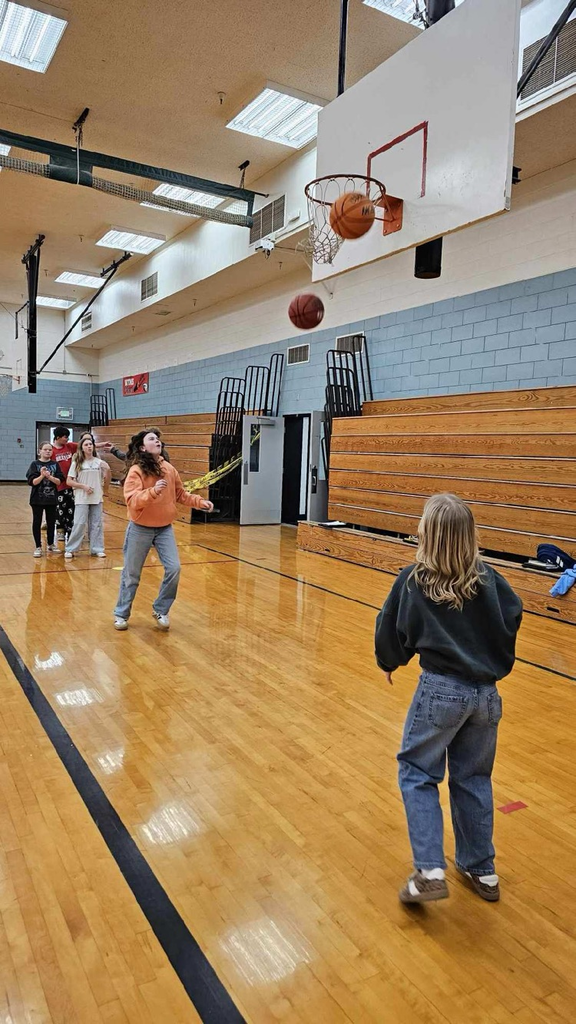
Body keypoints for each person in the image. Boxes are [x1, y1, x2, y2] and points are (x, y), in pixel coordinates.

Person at [374, 493, 522, 905]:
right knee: (473, 777)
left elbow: (392, 626)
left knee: (418, 772)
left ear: (428, 534)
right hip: (487, 697)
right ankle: (482, 868)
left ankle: (429, 869)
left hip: (441, 692)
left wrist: (389, 660)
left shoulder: (414, 579)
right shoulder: (491, 579)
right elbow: (512, 616)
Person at [113, 430, 212, 631]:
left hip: (164, 528)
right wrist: (153, 491)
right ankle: (121, 614)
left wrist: (199, 502)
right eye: (151, 438)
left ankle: (161, 609)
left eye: (157, 438)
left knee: (174, 568)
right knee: (132, 574)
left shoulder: (169, 468)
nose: (157, 440)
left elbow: (180, 494)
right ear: (142, 447)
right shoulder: (136, 471)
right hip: (140, 528)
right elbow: (132, 501)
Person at [64, 436, 111, 559]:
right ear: (82, 448)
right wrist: (83, 486)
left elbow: (107, 478)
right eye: (86, 445)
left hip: (97, 498)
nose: (89, 446)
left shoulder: (99, 462)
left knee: (96, 524)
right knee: (79, 523)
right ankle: (71, 548)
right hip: (82, 498)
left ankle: (97, 549)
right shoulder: (77, 463)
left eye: (91, 444)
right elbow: (69, 481)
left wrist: (107, 472)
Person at [26, 442, 64, 556]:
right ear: (40, 451)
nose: (48, 451)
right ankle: (38, 546)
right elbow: (32, 482)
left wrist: (49, 476)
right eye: (45, 449)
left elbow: (59, 481)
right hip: (37, 499)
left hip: (51, 498)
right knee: (37, 522)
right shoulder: (34, 464)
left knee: (51, 522)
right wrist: (42, 475)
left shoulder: (55, 465)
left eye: (50, 450)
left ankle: (51, 544)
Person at [51, 426, 77, 540]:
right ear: (57, 437)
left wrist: (102, 444)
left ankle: (70, 530)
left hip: (70, 484)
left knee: (71, 509)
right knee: (59, 509)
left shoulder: (70, 446)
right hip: (58, 485)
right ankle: (60, 530)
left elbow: (84, 445)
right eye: (65, 437)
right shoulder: (52, 451)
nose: (67, 439)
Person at [102, 426, 171, 464]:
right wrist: (113, 450)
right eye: (151, 439)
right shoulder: (137, 467)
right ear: (142, 447)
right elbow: (126, 457)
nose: (156, 441)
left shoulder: (164, 459)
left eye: (156, 439)